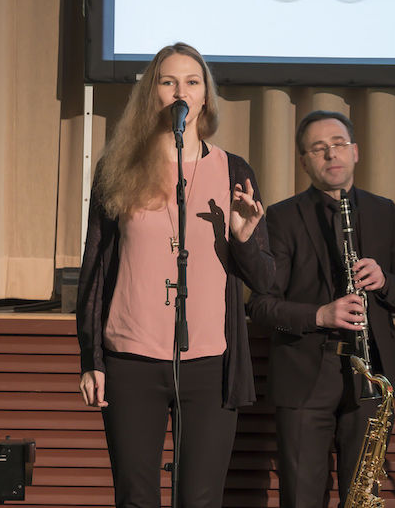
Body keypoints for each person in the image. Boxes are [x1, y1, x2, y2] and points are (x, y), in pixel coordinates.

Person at [76, 42, 275, 508]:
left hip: (209, 362)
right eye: (168, 82)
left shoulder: (233, 170)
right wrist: (91, 358)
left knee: (200, 499)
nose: (180, 91)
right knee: (135, 497)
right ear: (153, 94)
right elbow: (95, 269)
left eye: (191, 82)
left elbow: (265, 280)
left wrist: (243, 238)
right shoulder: (117, 168)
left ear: (205, 96)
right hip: (131, 359)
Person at [247, 110, 395, 507]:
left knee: (361, 496)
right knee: (301, 497)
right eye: (318, 148)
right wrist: (319, 315)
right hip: (305, 375)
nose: (331, 154)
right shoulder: (282, 217)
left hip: (370, 376)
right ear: (304, 161)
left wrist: (385, 281)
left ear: (355, 151)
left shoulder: (383, 211)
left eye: (339, 144)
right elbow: (260, 305)